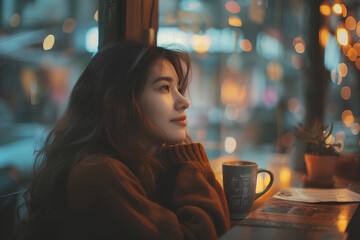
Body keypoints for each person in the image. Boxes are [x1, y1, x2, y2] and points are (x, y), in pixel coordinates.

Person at [18, 41, 230, 239]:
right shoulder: (99, 172)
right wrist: (189, 162)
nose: (184, 101)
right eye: (164, 87)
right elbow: (201, 233)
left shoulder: (140, 166)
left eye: (178, 88)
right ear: (123, 101)